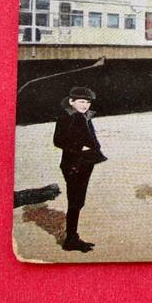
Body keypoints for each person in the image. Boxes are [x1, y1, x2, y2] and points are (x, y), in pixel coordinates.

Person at [53, 86, 107, 252]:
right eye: (81, 101)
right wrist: (79, 149)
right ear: (71, 101)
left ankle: (73, 236)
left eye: (88, 102)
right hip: (74, 164)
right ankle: (70, 240)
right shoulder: (67, 117)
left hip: (84, 162)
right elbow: (58, 141)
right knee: (75, 202)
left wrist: (93, 149)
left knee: (78, 201)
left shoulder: (83, 116)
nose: (85, 105)